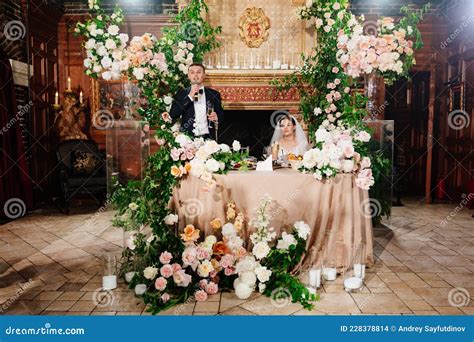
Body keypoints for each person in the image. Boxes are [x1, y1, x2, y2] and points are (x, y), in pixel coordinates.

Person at [169, 63, 224, 140]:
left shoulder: (214, 94)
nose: (195, 75)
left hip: (208, 140)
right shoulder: (181, 94)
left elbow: (221, 116)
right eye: (192, 72)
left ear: (204, 75)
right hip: (187, 140)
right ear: (188, 76)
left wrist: (217, 117)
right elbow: (173, 114)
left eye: (198, 72)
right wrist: (189, 97)